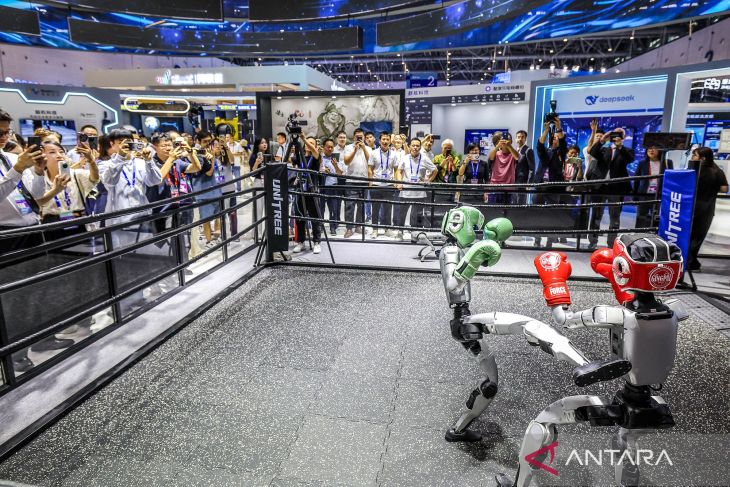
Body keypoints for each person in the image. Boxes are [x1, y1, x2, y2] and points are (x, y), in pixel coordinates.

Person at [99, 128, 163, 232]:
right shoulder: (105, 165)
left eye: (128, 141)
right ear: (112, 144)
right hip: (119, 220)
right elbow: (110, 182)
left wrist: (149, 161)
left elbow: (155, 181)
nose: (125, 145)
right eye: (121, 142)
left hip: (143, 217)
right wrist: (120, 156)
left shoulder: (141, 162)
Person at [586, 127, 634, 249]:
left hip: (616, 188)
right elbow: (592, 152)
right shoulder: (604, 149)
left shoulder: (626, 151)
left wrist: (620, 146)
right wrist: (602, 139)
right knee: (596, 215)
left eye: (620, 134)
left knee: (615, 217)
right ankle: (592, 242)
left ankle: (611, 244)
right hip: (599, 187)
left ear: (623, 137)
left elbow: (630, 159)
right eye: (614, 133)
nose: (616, 136)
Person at [687, 147, 728, 271]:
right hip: (707, 210)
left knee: (688, 236)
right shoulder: (717, 171)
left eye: (695, 155)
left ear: (703, 158)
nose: (692, 157)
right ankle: (691, 261)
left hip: (690, 209)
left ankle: (688, 261)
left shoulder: (692, 170)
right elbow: (724, 189)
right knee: (698, 238)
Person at [187, 131, 222, 248]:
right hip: (203, 191)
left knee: (218, 215)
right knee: (206, 218)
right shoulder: (196, 154)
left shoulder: (207, 152)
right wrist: (212, 158)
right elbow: (209, 172)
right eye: (205, 141)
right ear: (198, 141)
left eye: (209, 141)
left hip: (215, 188)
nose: (207, 144)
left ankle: (216, 237)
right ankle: (208, 241)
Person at [396, 138, 437, 236]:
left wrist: (429, 181)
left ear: (420, 147)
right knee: (401, 213)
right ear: (410, 146)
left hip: (419, 192)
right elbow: (399, 171)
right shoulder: (405, 158)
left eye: (417, 146)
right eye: (413, 145)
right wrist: (399, 182)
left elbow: (435, 170)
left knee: (416, 215)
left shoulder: (425, 158)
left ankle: (414, 234)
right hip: (405, 190)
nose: (415, 147)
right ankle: (400, 232)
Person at [292, 136, 323, 253]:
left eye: (311, 143)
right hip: (300, 191)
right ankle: (301, 242)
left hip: (312, 191)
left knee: (315, 218)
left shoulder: (315, 157)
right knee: (299, 218)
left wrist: (304, 139)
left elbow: (315, 153)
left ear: (315, 146)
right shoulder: (300, 156)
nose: (308, 144)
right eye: (307, 143)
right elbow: (291, 160)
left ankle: (316, 242)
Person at [368, 132, 401, 239]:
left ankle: (387, 229)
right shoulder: (373, 153)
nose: (385, 141)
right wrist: (370, 182)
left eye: (387, 139)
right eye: (383, 139)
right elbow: (370, 168)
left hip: (389, 185)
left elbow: (396, 169)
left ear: (390, 141)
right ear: (379, 141)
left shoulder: (394, 154)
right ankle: (375, 229)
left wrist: (396, 182)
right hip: (376, 184)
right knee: (375, 209)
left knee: (388, 208)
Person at [634, 145, 673, 230]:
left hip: (659, 194)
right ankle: (638, 233)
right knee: (641, 216)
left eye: (654, 148)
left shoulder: (667, 162)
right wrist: (635, 195)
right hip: (644, 194)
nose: (651, 150)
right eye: (649, 148)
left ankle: (653, 233)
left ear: (660, 150)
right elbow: (636, 179)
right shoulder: (642, 163)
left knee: (656, 216)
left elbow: (671, 179)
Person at [343, 128, 371, 238]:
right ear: (354, 137)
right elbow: (346, 162)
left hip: (364, 181)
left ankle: (359, 225)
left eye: (361, 137)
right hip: (351, 181)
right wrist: (355, 150)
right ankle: (349, 228)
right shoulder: (348, 147)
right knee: (349, 205)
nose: (359, 138)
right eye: (357, 137)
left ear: (364, 137)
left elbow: (370, 162)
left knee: (362, 206)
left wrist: (363, 148)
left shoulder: (368, 148)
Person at [319, 138, 343, 235]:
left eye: (331, 147)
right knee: (320, 208)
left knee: (333, 208)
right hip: (321, 186)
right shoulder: (319, 157)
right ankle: (320, 227)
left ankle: (333, 227)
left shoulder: (336, 158)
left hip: (333, 186)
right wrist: (322, 169)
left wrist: (335, 165)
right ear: (323, 147)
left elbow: (340, 173)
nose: (330, 149)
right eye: (328, 147)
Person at [248, 137, 271, 238]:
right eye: (262, 143)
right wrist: (256, 163)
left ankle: (268, 233)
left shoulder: (269, 156)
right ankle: (257, 233)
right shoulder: (254, 156)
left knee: (269, 208)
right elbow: (252, 173)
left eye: (265, 142)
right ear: (257, 145)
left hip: (269, 182)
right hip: (258, 182)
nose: (264, 144)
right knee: (258, 208)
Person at [488, 132, 520, 203]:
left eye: (508, 139)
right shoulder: (496, 153)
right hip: (494, 186)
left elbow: (517, 157)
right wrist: (498, 146)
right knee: (492, 208)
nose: (505, 141)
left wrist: (509, 146)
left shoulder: (513, 153)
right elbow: (491, 158)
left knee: (506, 209)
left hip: (508, 188)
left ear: (511, 141)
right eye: (503, 139)